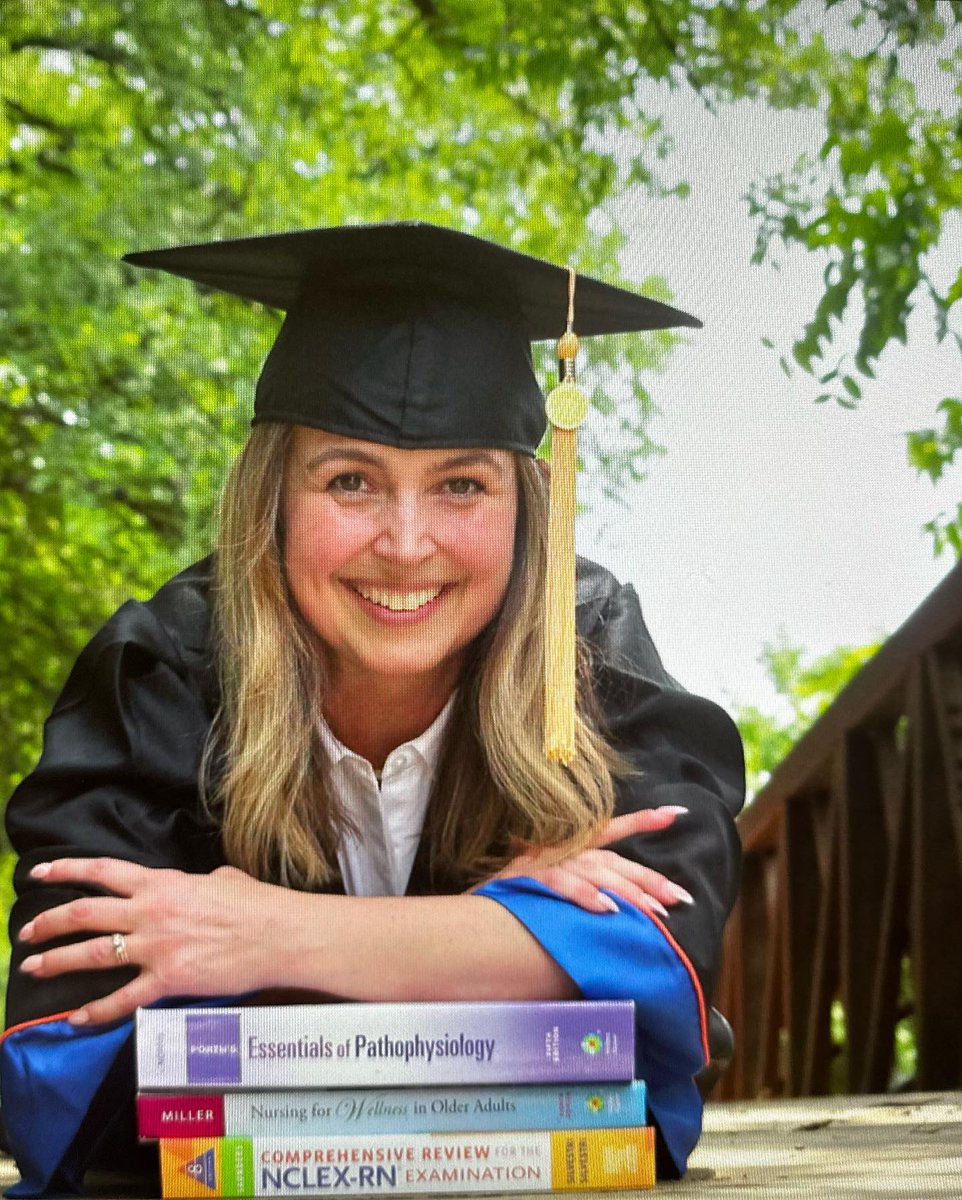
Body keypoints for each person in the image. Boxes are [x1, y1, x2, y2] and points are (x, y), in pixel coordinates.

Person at [1, 223, 744, 1197]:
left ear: (526, 501)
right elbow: (72, 1037)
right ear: (272, 495)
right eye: (349, 480)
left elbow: (659, 960)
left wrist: (264, 936)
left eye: (460, 485)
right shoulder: (163, 669)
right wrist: (500, 944)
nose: (404, 543)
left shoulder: (587, 652)